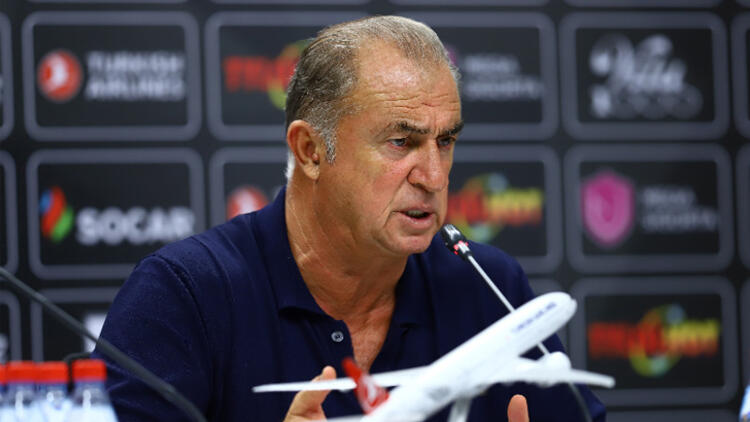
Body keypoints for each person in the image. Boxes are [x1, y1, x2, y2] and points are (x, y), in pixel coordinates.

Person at [94, 16, 605, 422]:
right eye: (401, 142)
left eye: (446, 140)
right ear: (310, 150)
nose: (433, 176)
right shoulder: (183, 296)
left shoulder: (488, 284)